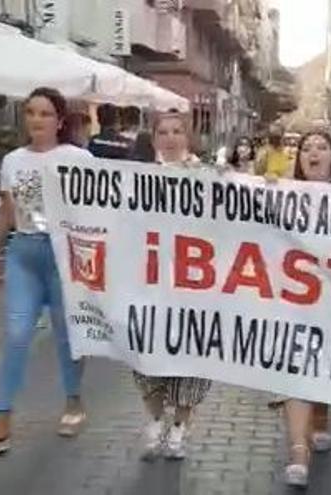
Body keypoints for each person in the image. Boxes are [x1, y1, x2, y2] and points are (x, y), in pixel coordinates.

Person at [0, 87, 90, 460]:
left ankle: (73, 401)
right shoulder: (13, 161)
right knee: (18, 335)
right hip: (24, 253)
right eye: (30, 113)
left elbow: (97, 208)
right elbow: (7, 211)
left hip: (63, 255)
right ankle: (1, 420)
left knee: (67, 334)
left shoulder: (79, 158)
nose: (36, 120)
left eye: (44, 113)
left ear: (59, 120)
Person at [134, 109, 209, 461]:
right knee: (146, 357)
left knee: (190, 362)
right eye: (163, 131)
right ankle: (154, 418)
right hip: (150, 284)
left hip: (195, 286)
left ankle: (179, 427)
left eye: (178, 131)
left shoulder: (208, 177)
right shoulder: (138, 178)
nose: (170, 137)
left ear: (188, 137)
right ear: (154, 139)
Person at [279, 131, 331, 487]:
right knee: (296, 368)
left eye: (322, 147)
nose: (313, 153)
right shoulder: (281, 193)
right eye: (307, 148)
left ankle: (320, 419)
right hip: (293, 300)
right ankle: (298, 451)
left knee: (326, 366)